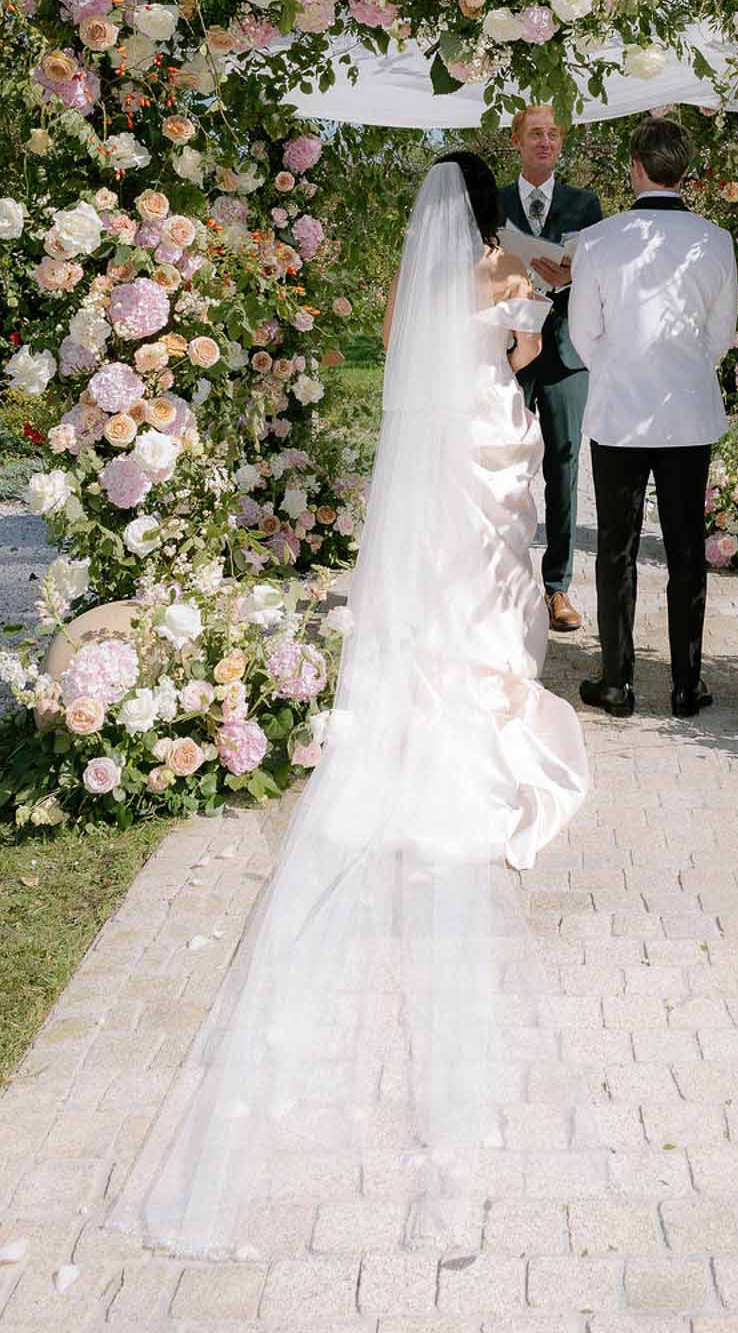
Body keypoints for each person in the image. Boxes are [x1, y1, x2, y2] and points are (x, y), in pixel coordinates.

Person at [106, 154, 588, 1260]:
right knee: (493, 576)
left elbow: (402, 359)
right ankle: (495, 700)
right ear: (479, 211)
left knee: (437, 583)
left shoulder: (416, 285)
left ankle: (434, 699)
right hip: (492, 439)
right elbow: (525, 348)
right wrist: (519, 328)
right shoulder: (498, 267)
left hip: (439, 446)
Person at [568, 117, 738, 720]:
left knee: (616, 547)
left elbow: (583, 333)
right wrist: (683, 369)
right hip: (688, 414)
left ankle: (616, 682)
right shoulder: (716, 241)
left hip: (619, 414)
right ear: (681, 170)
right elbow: (722, 336)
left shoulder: (597, 241)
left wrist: (619, 369)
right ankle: (687, 685)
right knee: (687, 548)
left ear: (636, 167)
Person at [497, 104, 602, 633]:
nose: (545, 142)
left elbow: (599, 275)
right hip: (508, 352)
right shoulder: (491, 202)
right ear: (517, 141)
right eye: (535, 134)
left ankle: (557, 587)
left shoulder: (585, 203)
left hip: (565, 353)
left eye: (553, 135)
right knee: (503, 463)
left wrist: (567, 277)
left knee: (563, 465)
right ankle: (501, 580)